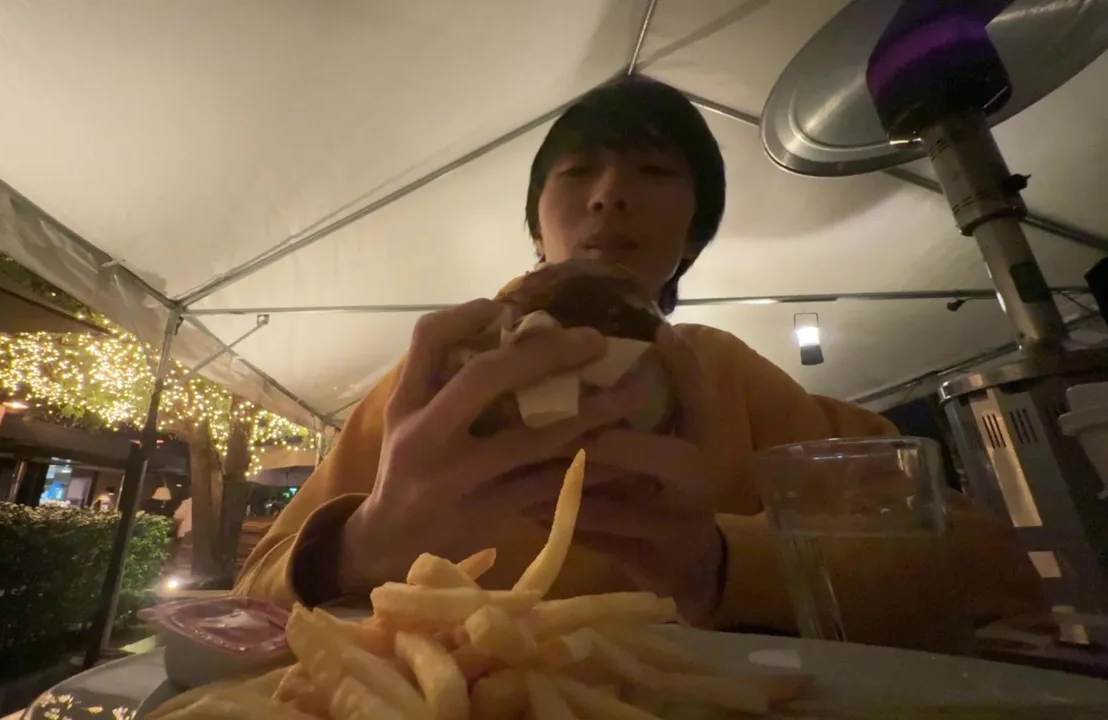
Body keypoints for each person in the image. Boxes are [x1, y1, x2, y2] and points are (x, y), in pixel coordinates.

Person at [235, 76, 1042, 634]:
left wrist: (720, 563)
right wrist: (363, 543)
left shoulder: (734, 380)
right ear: (536, 223)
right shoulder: (425, 391)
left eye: (654, 171)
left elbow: (992, 568)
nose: (610, 193)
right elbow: (245, 599)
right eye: (577, 170)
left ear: (693, 236)